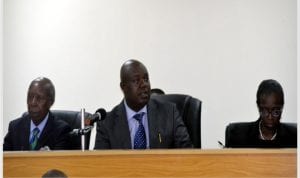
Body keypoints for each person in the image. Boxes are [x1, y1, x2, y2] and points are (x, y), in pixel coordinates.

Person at [94, 59, 192, 149]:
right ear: (123, 86)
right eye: (136, 81)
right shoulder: (107, 124)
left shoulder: (169, 113)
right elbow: (100, 164)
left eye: (146, 79)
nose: (144, 85)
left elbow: (189, 154)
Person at [3, 77, 71, 151]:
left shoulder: (61, 131)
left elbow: (59, 161)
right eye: (30, 97)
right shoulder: (15, 127)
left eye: (39, 98)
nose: (33, 103)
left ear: (51, 102)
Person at [225, 79, 297, 148]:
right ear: (258, 106)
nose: (270, 117)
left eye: (276, 112)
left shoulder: (295, 137)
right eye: (265, 111)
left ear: (282, 107)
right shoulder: (237, 136)